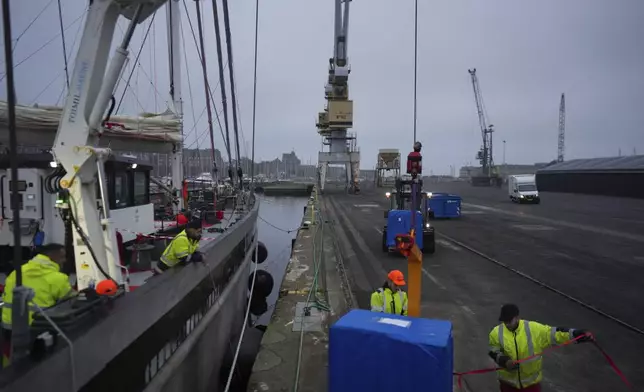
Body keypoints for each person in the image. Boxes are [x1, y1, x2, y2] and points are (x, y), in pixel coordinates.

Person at [488, 304, 594, 392]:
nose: (506, 324)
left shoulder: (534, 329)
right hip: (508, 384)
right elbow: (493, 351)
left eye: (509, 321)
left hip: (530, 385)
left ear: (517, 317)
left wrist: (577, 334)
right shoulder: (496, 332)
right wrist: (504, 361)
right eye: (504, 321)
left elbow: (555, 333)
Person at [1, 243, 73, 366]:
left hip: (9, 329)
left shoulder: (15, 273)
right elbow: (70, 303)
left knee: (12, 363)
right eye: (62, 257)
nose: (64, 260)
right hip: (38, 330)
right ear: (53, 257)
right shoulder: (58, 278)